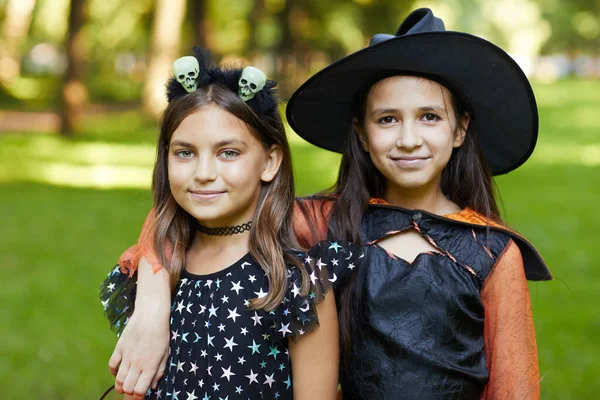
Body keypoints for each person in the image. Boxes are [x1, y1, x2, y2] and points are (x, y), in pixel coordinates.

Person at [112, 9, 552, 399]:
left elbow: (514, 386)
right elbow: (183, 214)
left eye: (430, 117)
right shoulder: (325, 222)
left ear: (460, 130)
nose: (409, 139)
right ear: (360, 132)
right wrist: (152, 307)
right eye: (387, 120)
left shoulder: (493, 253)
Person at [99, 47, 361, 400]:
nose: (204, 174)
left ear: (269, 162)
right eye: (185, 152)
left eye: (228, 153)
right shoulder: (160, 273)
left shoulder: (299, 284)